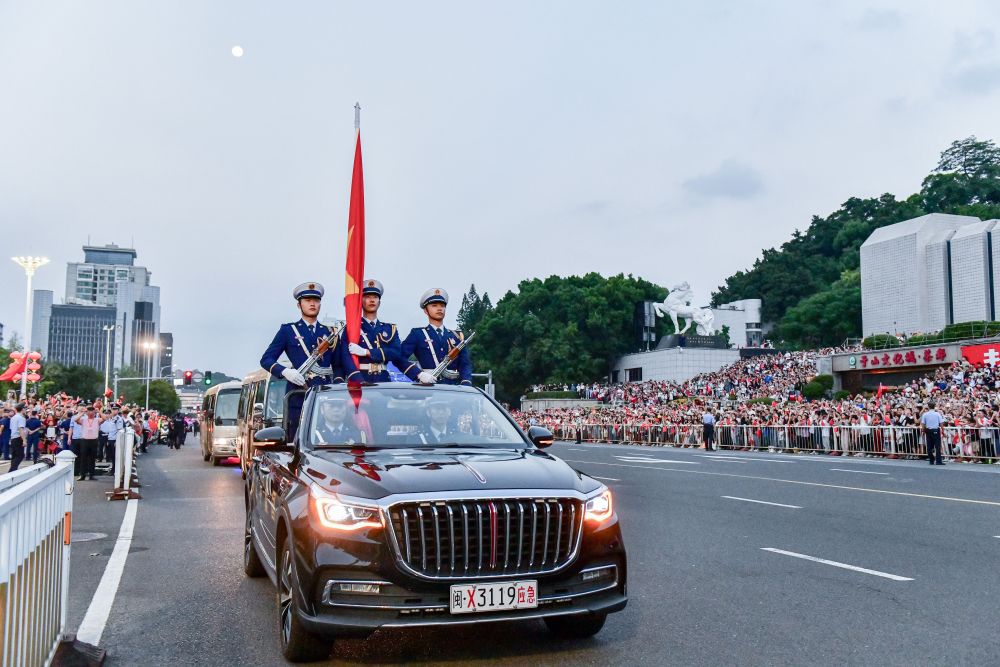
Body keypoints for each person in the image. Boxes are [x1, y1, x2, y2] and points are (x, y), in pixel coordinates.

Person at [260, 281, 346, 439]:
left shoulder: (330, 332)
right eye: (307, 300)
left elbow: (338, 365)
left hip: (325, 396)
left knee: (329, 438)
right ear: (299, 305)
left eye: (316, 300)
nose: (312, 304)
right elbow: (266, 359)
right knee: (297, 438)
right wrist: (286, 372)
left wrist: (337, 386)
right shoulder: (288, 330)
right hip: (298, 394)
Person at [400, 288, 473, 386]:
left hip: (453, 389)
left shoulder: (457, 336)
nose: (439, 309)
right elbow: (399, 357)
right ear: (426, 311)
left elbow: (465, 364)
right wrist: (418, 374)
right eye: (434, 306)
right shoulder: (418, 334)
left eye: (442, 306)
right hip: (428, 388)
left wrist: (465, 383)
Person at [343, 279, 404, 384]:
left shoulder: (390, 329)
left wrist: (366, 352)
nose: (372, 300)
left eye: (375, 297)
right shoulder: (352, 328)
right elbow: (345, 357)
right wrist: (358, 380)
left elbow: (396, 353)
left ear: (379, 303)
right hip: (361, 379)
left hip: (383, 380)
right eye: (367, 297)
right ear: (361, 301)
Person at [73, 404, 104, 480]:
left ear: (94, 412)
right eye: (89, 411)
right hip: (85, 441)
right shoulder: (83, 419)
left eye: (92, 411)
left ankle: (91, 475)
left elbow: (104, 418)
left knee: (92, 458)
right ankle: (82, 475)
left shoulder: (97, 420)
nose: (90, 412)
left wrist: (99, 411)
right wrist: (83, 412)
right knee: (83, 458)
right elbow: (75, 419)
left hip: (94, 441)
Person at [920, 401, 944, 465]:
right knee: (937, 446)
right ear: (934, 406)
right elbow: (941, 423)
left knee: (929, 446)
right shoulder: (937, 414)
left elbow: (923, 424)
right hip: (936, 430)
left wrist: (923, 431)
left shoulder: (925, 414)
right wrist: (943, 431)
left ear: (928, 406)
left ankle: (931, 460)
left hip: (928, 430)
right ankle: (938, 461)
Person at [8, 404, 27, 471]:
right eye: (25, 408)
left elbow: (11, 428)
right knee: (20, 455)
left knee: (14, 456)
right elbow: (20, 429)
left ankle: (13, 471)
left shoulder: (13, 418)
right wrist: (24, 440)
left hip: (13, 438)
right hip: (18, 438)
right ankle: (12, 470)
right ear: (22, 409)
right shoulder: (21, 418)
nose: (25, 410)